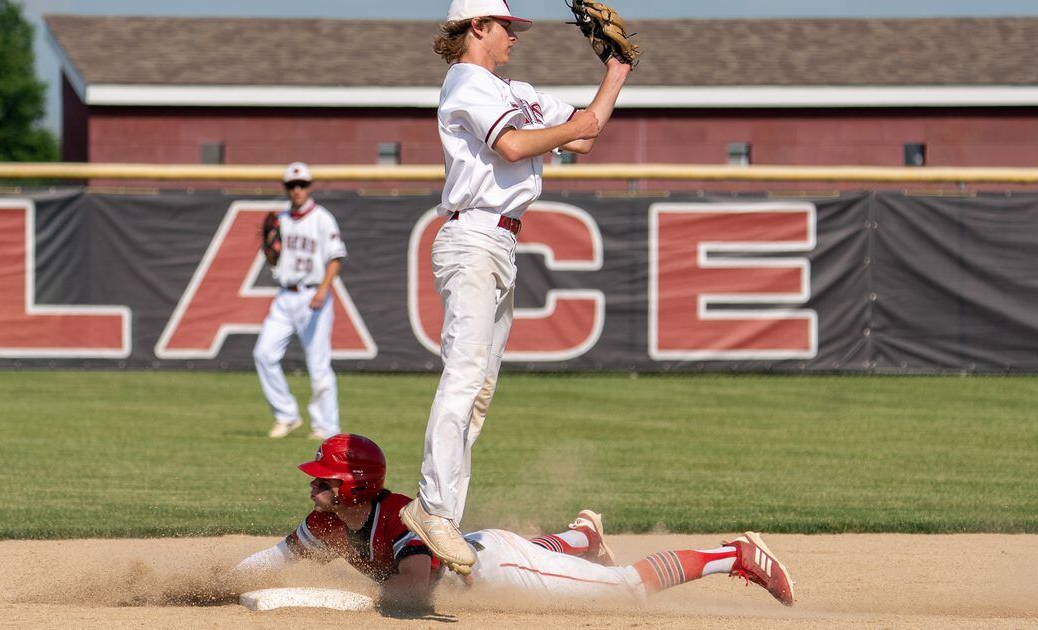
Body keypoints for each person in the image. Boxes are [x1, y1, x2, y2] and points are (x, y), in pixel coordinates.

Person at [400, 0, 633, 573]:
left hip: (501, 243)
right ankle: (433, 510)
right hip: (472, 235)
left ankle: (444, 514)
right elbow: (511, 146)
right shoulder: (466, 84)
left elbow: (586, 136)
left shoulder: (516, 90)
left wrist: (617, 72)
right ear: (476, 27)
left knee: (479, 388)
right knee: (463, 372)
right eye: (507, 25)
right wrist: (574, 125)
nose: (514, 35)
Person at [231, 434, 796, 613]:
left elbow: (416, 584)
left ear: (355, 483)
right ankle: (582, 539)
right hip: (480, 550)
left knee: (622, 589)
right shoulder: (326, 523)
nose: (315, 484)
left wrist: (349, 602)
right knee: (533, 552)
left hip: (498, 568)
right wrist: (222, 582)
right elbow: (275, 560)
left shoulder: (400, 515)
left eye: (326, 478)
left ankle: (734, 556)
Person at [253, 162, 346, 440]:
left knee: (318, 365)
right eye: (292, 185)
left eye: (302, 184)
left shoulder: (322, 218)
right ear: (285, 188)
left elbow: (336, 258)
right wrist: (269, 252)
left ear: (309, 186)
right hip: (284, 295)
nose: (297, 190)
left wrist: (322, 289)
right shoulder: (281, 219)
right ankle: (286, 415)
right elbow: (272, 260)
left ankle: (326, 427)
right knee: (263, 354)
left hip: (312, 294)